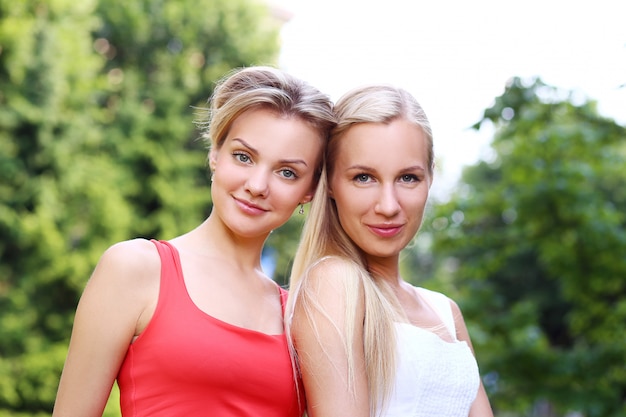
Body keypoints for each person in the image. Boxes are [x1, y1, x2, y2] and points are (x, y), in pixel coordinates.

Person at [53, 66, 336, 417]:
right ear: (215, 152)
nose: (258, 184)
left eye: (287, 172)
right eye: (243, 156)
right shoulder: (135, 269)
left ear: (309, 190)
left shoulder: (301, 317)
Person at [285, 85, 493, 417]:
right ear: (331, 184)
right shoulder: (335, 283)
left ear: (429, 179)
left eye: (408, 178)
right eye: (364, 177)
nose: (388, 205)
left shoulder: (445, 311)